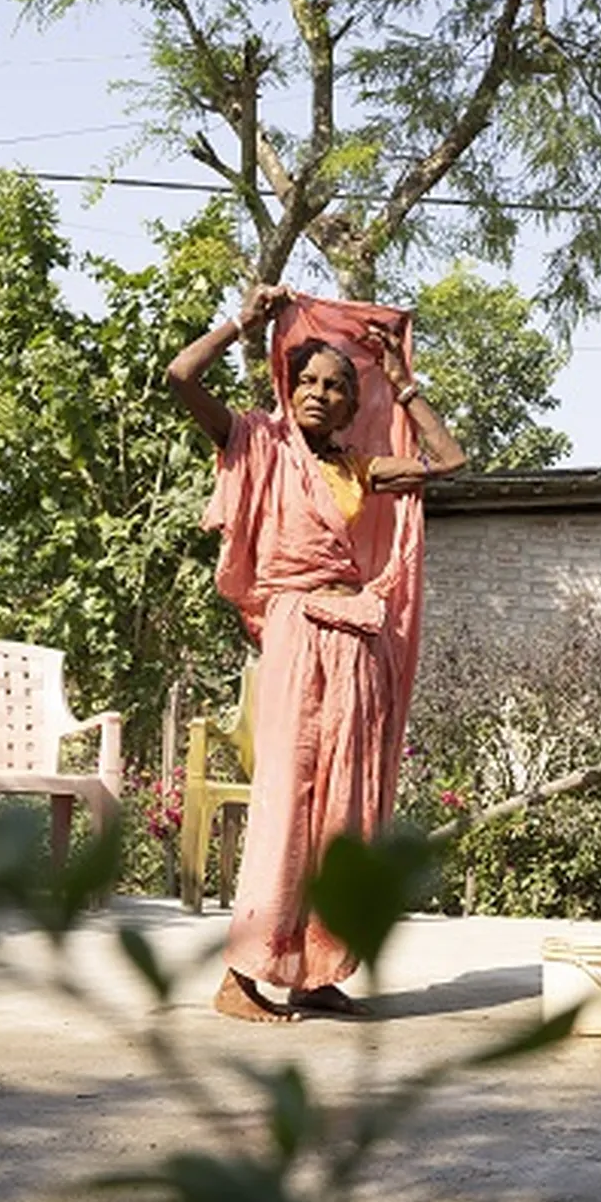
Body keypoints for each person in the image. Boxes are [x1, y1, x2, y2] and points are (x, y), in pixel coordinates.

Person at [166, 284, 467, 1021]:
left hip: (358, 643)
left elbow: (451, 461)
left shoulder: (362, 468)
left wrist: (403, 384)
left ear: (351, 403)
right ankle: (241, 978)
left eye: (336, 387)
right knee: (288, 803)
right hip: (299, 633)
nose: (320, 394)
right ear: (287, 385)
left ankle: (315, 970)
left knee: (346, 811)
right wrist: (245, 319)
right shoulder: (256, 442)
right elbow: (179, 377)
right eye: (307, 381)